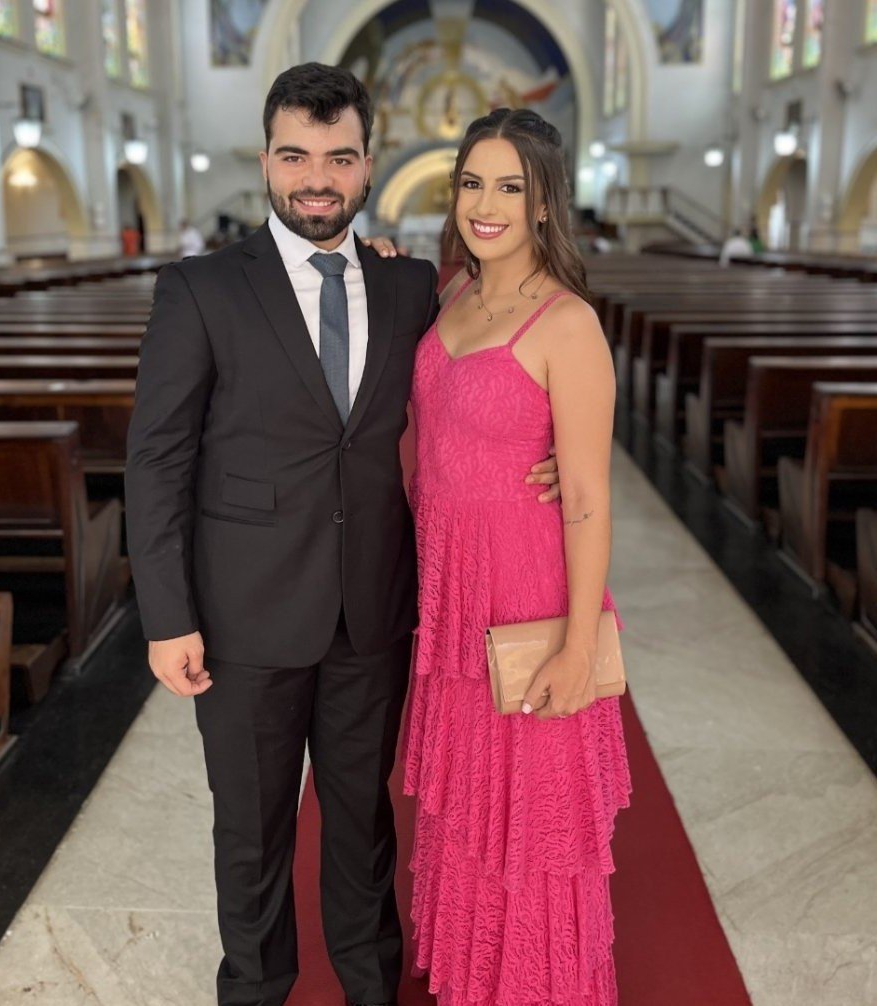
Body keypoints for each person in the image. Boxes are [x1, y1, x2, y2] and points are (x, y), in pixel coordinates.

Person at [124, 65, 561, 1006]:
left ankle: (372, 988)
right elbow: (156, 462)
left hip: (371, 609)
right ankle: (255, 988)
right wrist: (167, 617)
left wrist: (551, 450)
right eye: (295, 157)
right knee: (252, 831)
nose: (316, 179)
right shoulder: (200, 288)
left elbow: (478, 391)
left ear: (368, 164)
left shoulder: (409, 287)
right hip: (243, 617)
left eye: (338, 158)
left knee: (363, 822)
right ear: (265, 162)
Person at [402, 108, 632, 1005]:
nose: (486, 205)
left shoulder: (567, 323)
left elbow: (587, 499)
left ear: (544, 202)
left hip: (525, 591)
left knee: (532, 829)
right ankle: (476, 981)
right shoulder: (453, 295)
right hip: (453, 600)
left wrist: (577, 646)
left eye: (510, 187)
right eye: (472, 183)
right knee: (469, 817)